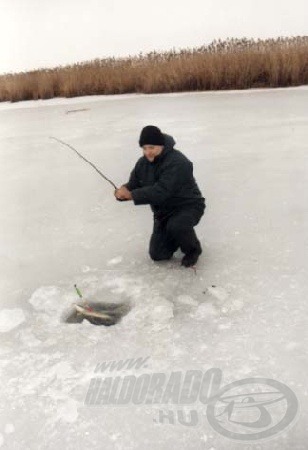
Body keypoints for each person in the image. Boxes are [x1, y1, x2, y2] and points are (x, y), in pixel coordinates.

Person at [114, 125, 206, 267]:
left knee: (177, 225)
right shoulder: (142, 163)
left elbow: (162, 191)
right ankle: (175, 235)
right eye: (144, 148)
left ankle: (193, 249)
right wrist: (123, 191)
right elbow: (134, 183)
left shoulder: (179, 162)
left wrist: (132, 195)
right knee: (158, 254)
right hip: (163, 213)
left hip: (187, 207)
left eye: (151, 148)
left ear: (161, 145)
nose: (147, 152)